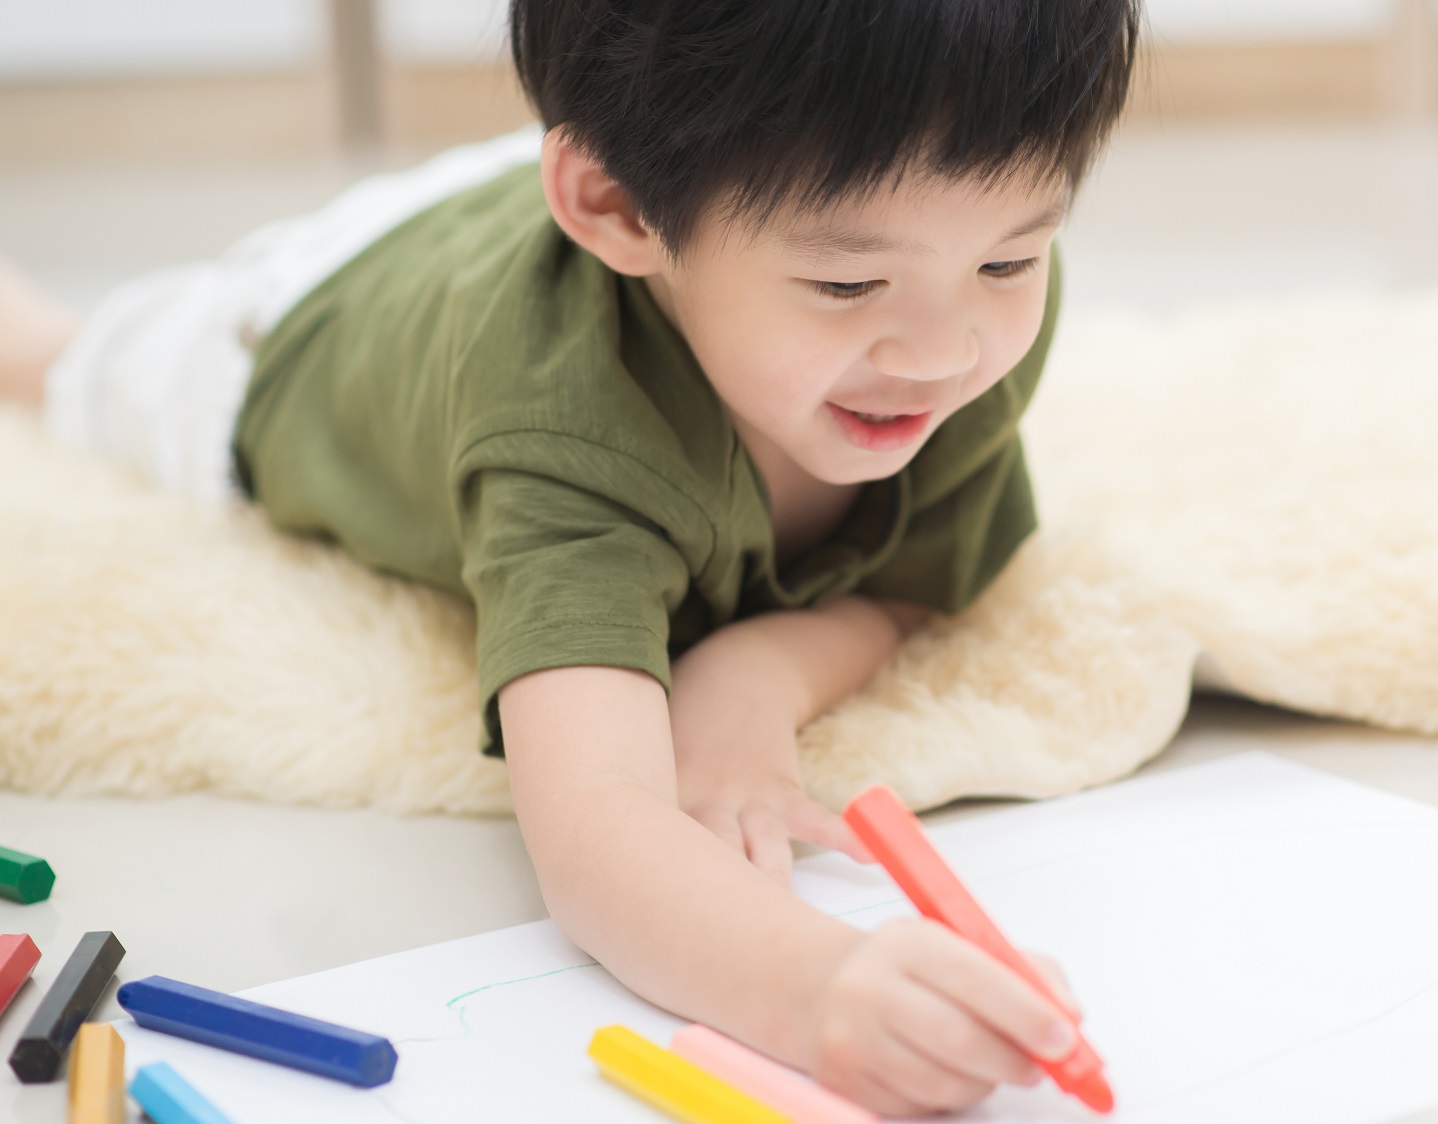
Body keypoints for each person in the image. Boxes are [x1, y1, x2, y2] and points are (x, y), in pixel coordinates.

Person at [0, 0, 1140, 1113]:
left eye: (1012, 260)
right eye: (847, 284)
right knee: (62, 365)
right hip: (287, 330)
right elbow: (595, 825)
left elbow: (911, 569)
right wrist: (821, 983)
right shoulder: (562, 435)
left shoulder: (944, 292)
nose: (945, 353)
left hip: (563, 193)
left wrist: (752, 677)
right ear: (615, 208)